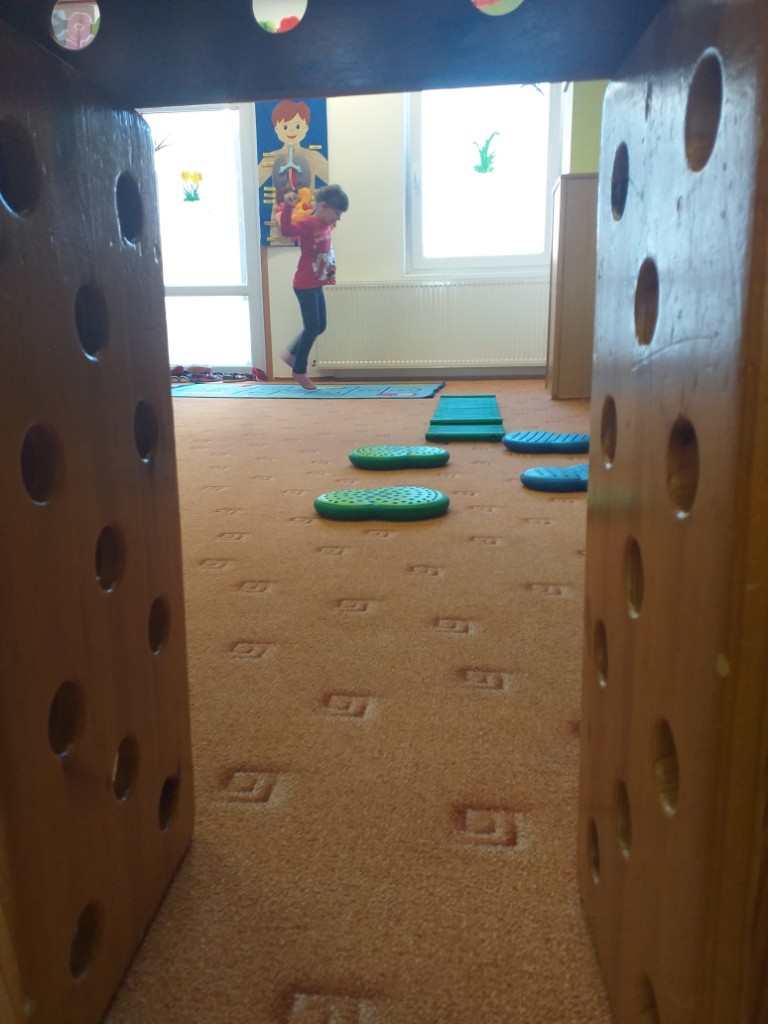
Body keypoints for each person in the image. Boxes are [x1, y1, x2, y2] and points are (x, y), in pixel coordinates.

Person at [279, 184, 349, 390]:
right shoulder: (309, 223)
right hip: (304, 284)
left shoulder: (328, 224)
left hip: (316, 283)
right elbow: (286, 230)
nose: (338, 219)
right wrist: (288, 207)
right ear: (323, 206)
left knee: (320, 326)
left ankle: (292, 354)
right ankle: (299, 370)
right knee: (312, 327)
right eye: (337, 213)